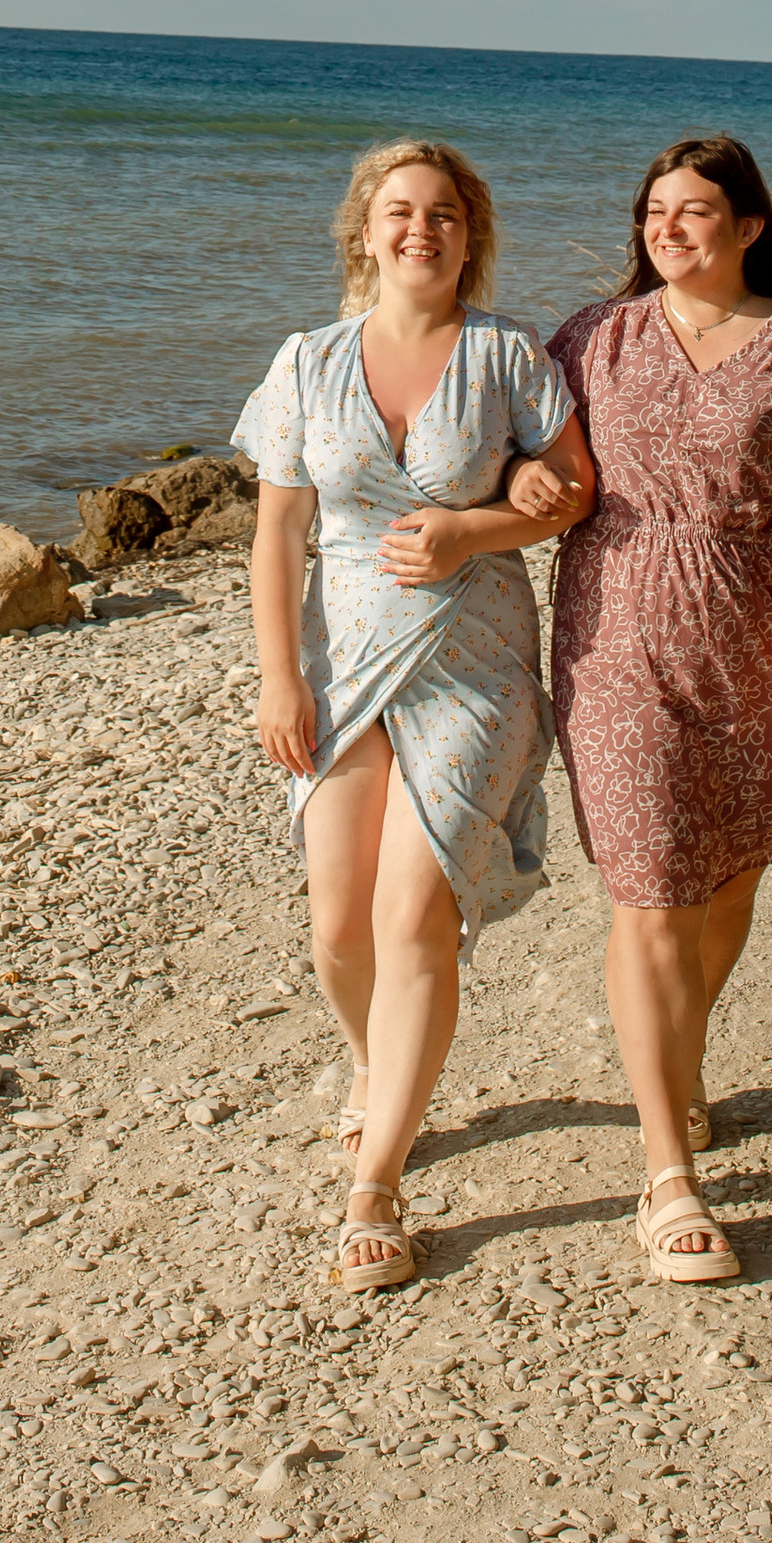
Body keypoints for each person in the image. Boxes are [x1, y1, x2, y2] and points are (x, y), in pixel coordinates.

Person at [509, 132, 772, 1283]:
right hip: (611, 635)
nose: (667, 229)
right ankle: (667, 1174)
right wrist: (517, 486)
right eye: (653, 213)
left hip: (751, 631)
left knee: (729, 871)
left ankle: (675, 1061)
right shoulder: (590, 337)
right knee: (649, 888)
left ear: (748, 226)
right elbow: (527, 458)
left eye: (692, 211)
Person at [239, 136, 595, 1293]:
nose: (421, 230)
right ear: (365, 230)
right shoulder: (305, 362)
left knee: (413, 920)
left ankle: (377, 1185)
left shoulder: (507, 355)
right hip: (341, 669)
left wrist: (476, 527)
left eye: (443, 212)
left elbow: (572, 490)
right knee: (337, 931)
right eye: (400, 211)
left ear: (468, 234)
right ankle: (374, 1063)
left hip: (473, 662)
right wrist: (278, 676)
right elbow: (279, 532)